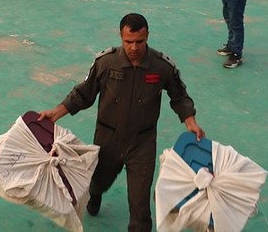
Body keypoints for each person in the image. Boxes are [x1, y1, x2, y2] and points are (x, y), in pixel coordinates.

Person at [38, 13, 204, 232]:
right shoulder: (106, 63)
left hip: (142, 142)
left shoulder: (161, 67)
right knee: (98, 182)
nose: (134, 47)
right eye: (128, 41)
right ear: (120, 36)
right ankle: (94, 195)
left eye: (139, 42)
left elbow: (179, 96)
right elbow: (83, 94)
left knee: (140, 205)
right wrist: (57, 112)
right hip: (108, 138)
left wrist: (190, 122)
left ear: (147, 36)